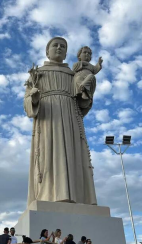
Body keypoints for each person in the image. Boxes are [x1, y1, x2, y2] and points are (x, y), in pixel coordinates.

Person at [24, 36, 97, 206]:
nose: (59, 48)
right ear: (47, 51)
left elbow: (82, 102)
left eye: (63, 46)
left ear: (66, 53)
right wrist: (33, 97)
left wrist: (86, 92)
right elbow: (27, 103)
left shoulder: (73, 75)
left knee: (73, 154)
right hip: (48, 118)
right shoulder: (37, 73)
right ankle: (49, 195)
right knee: (48, 155)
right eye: (55, 45)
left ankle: (77, 196)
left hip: (70, 116)